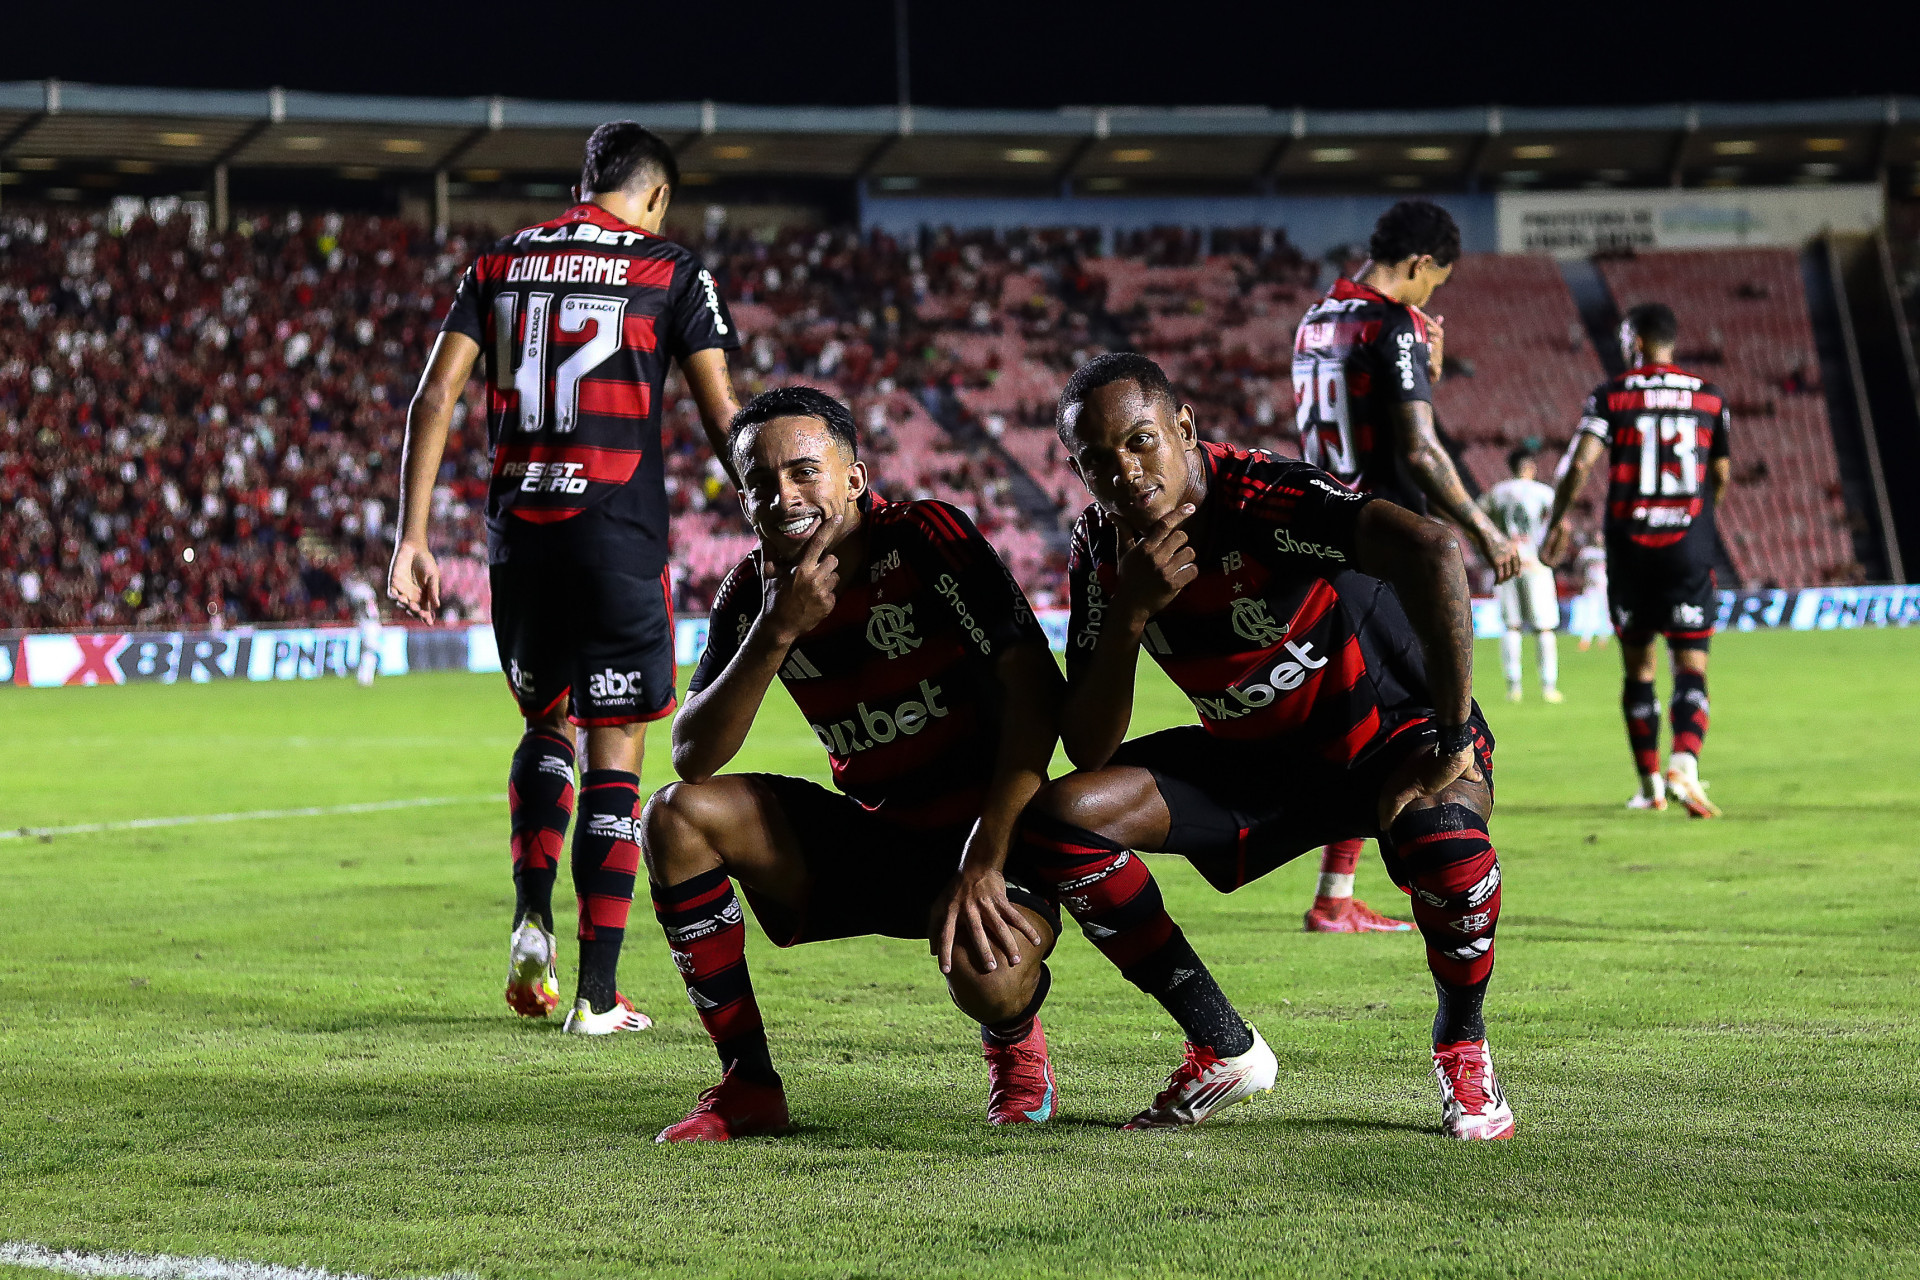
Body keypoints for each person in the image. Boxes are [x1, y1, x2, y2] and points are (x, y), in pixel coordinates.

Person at [1006, 353, 1513, 1140]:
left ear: (1184, 427)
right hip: (1260, 764)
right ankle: (1223, 1047)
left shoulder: (1264, 497)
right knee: (1059, 820)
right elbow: (1088, 745)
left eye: (1141, 442)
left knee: (1444, 840)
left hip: (1390, 741)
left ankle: (1463, 1044)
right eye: (1095, 462)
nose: (1125, 473)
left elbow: (1435, 550)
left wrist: (1452, 733)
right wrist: (1132, 612)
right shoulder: (1103, 553)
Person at [388, 122, 743, 1033]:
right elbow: (722, 416)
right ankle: (596, 993)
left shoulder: (497, 263)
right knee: (614, 747)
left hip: (521, 536)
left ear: (586, 182)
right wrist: (775, 520)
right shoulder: (670, 268)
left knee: (544, 724)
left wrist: (412, 536)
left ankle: (528, 916)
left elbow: (436, 397)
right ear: (656, 194)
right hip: (617, 533)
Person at [641, 386, 1066, 1142]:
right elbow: (692, 755)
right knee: (675, 815)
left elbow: (1037, 698)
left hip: (987, 838)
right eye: (760, 484)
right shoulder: (754, 590)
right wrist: (776, 632)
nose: (784, 496)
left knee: (994, 983)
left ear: (855, 480)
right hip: (874, 835)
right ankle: (749, 1084)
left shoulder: (926, 539)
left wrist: (987, 853)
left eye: (805, 472)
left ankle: (1013, 1044)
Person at [1293, 199, 1520, 935]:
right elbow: (1417, 450)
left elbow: (1364, 420)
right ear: (1420, 264)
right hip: (1384, 549)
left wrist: (1423, 371)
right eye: (1435, 284)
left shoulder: (1317, 318)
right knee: (1447, 735)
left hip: (1325, 540)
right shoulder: (1389, 323)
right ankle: (1446, 891)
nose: (1431, 300)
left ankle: (1336, 894)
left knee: (1365, 728)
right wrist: (1485, 531)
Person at [1543, 303, 1730, 817]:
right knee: (1691, 663)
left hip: (1630, 548)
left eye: (1626, 337)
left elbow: (1579, 464)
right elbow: (1720, 474)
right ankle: (1685, 763)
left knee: (1640, 668)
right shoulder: (1710, 397)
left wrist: (1557, 521)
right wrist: (1701, 519)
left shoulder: (1612, 394)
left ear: (1639, 341)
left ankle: (1649, 786)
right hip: (1688, 546)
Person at [1479, 445, 1562, 703]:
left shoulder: (1499, 492)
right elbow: (1561, 521)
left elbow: (1478, 517)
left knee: (1512, 627)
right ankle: (1548, 687)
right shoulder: (1543, 492)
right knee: (1544, 628)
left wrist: (1492, 546)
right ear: (1530, 467)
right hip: (1536, 563)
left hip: (1507, 562)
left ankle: (1514, 687)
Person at [343, 573, 384, 688]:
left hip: (365, 624)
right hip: (369, 625)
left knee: (367, 652)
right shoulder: (365, 591)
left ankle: (363, 677)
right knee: (370, 651)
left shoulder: (357, 591)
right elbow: (370, 611)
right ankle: (366, 679)